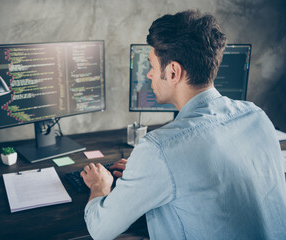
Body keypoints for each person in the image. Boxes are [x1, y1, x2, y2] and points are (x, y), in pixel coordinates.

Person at [81, 10, 286, 239]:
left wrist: (99, 186)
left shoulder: (159, 149)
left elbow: (100, 230)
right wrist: (146, 171)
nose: (149, 75)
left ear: (173, 72)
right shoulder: (257, 116)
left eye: (152, 66)